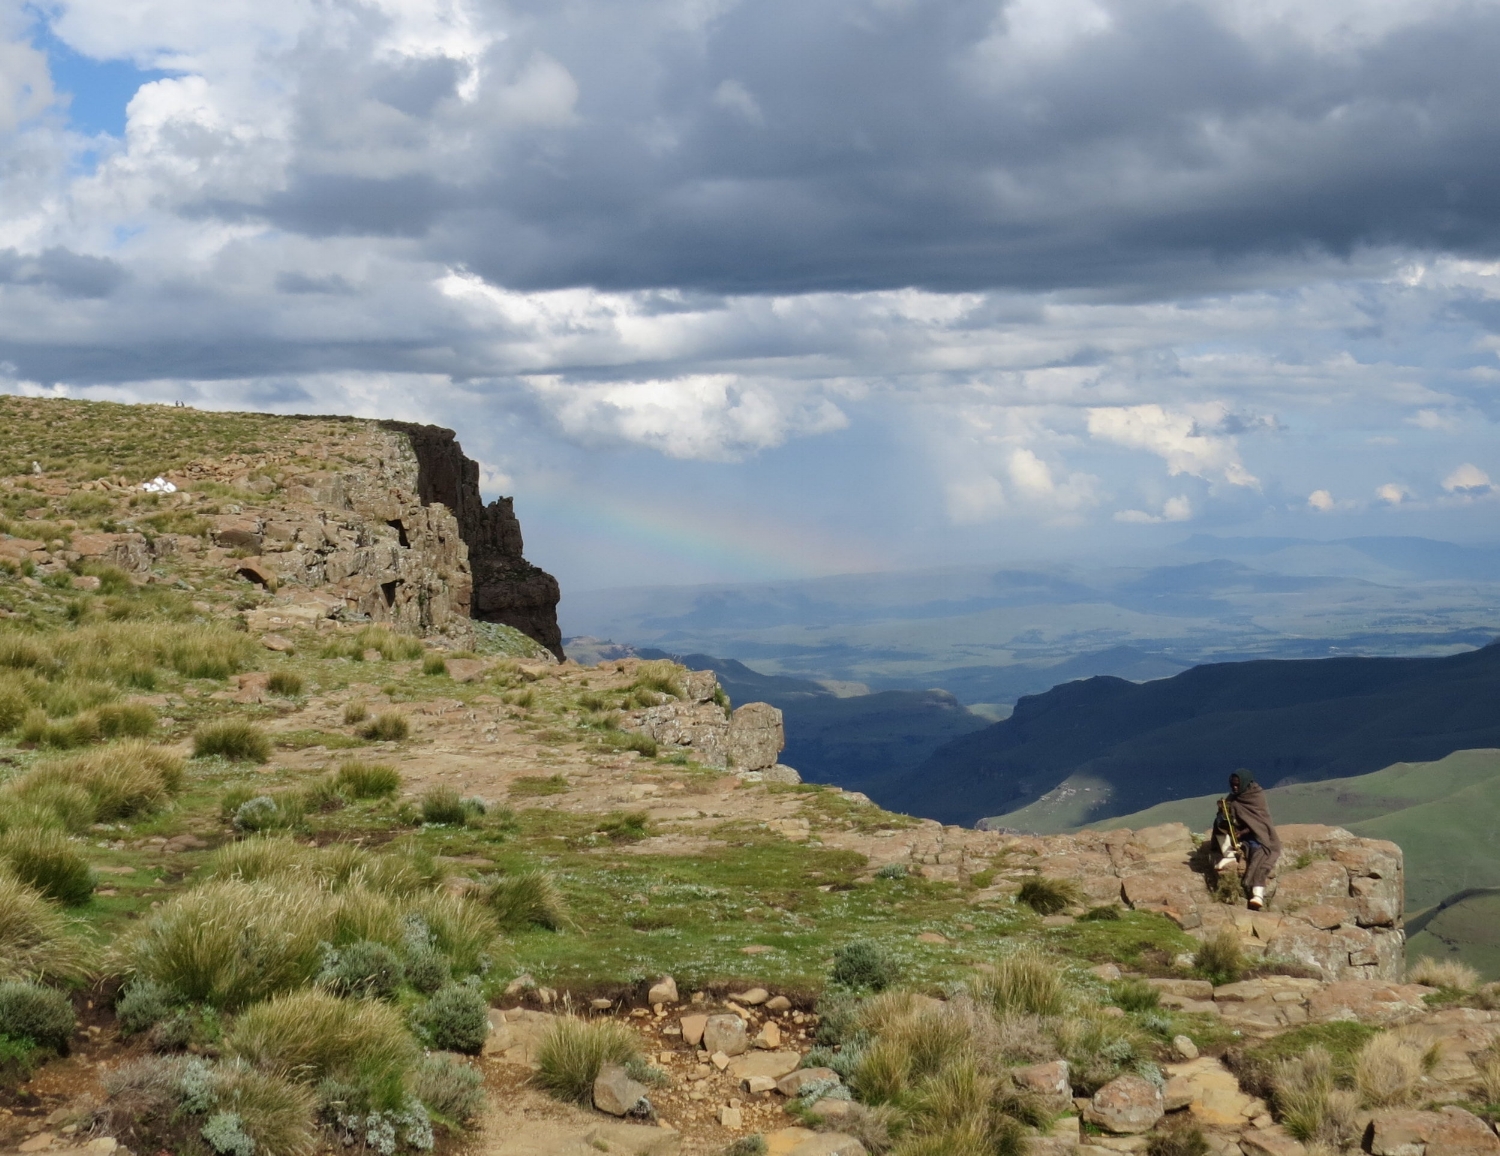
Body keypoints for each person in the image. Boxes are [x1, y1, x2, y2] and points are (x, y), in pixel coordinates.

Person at [1212, 771, 1281, 910]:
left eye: (1237, 785)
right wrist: (1223, 812)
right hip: (1238, 832)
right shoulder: (1234, 796)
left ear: (1245, 783)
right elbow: (1230, 814)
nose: (1235, 787)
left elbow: (1258, 823)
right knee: (1219, 825)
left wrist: (1241, 833)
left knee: (1260, 856)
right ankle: (1228, 855)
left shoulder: (1256, 796)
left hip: (1256, 834)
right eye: (1232, 784)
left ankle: (1257, 894)